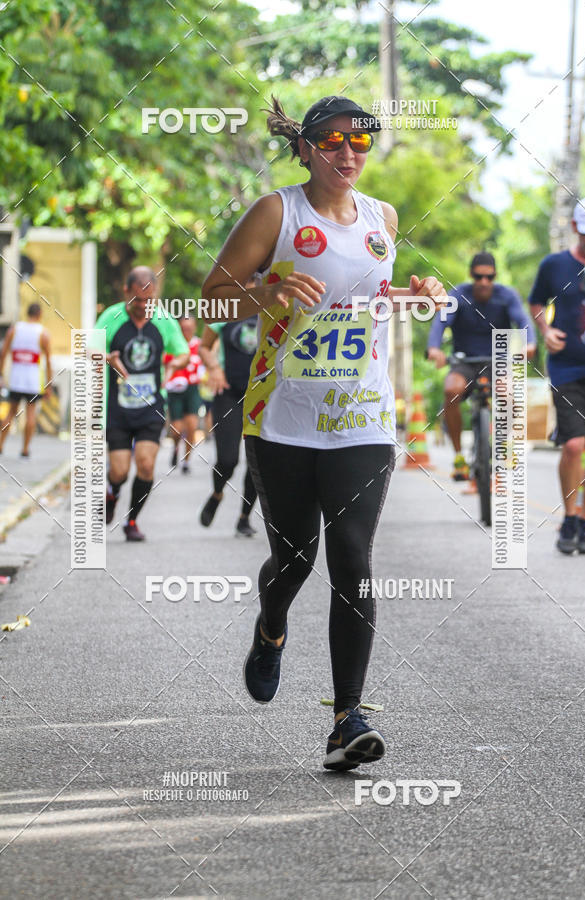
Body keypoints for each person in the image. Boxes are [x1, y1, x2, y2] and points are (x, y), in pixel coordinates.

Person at [202, 94, 448, 770]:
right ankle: (271, 626)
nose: (348, 154)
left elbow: (366, 297)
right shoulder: (277, 212)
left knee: (353, 556)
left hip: (362, 417)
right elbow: (211, 293)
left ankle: (347, 718)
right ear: (306, 147)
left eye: (361, 143)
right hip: (282, 416)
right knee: (294, 561)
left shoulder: (383, 219)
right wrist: (266, 294)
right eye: (335, 142)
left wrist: (415, 294)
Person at [96, 266, 189, 541]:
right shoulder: (111, 317)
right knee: (120, 470)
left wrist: (171, 362)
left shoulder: (163, 319)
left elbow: (182, 351)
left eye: (149, 301)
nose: (143, 307)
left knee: (146, 465)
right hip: (118, 409)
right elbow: (90, 346)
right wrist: (107, 358)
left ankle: (132, 520)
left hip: (151, 407)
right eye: (137, 300)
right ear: (126, 292)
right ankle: (112, 494)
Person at [529, 197, 585, 554]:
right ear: (575, 228)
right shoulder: (555, 265)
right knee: (574, 444)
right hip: (568, 368)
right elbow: (537, 301)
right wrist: (545, 330)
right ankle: (569, 516)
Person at [427, 252, 536, 480]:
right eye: (479, 277)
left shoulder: (507, 295)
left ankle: (504, 445)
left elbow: (524, 320)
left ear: (495, 276)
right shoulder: (458, 294)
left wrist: (530, 343)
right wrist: (434, 348)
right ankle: (459, 458)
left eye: (489, 276)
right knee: (450, 391)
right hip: (464, 362)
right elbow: (440, 322)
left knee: (509, 396)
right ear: (471, 275)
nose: (484, 282)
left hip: (497, 361)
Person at [198, 309, 259, 537]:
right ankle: (217, 494)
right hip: (228, 393)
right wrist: (214, 368)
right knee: (227, 459)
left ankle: (244, 518)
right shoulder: (227, 307)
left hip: (262, 393)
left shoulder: (275, 302)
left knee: (258, 462)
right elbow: (204, 346)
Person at [0, 303, 52, 457]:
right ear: (40, 314)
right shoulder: (43, 333)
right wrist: (49, 384)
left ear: (27, 313)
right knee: (30, 415)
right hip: (33, 382)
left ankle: (1, 445)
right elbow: (48, 361)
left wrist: (1, 374)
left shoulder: (14, 329)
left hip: (16, 380)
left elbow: (3, 353)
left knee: (10, 413)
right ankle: (25, 450)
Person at [165, 316, 203, 474]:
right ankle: (175, 447)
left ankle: (186, 461)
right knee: (177, 430)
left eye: (190, 327)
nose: (186, 331)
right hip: (175, 390)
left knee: (192, 427)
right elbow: (165, 365)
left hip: (193, 389)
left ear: (194, 328)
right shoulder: (172, 345)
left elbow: (207, 362)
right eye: (183, 328)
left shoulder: (199, 345)